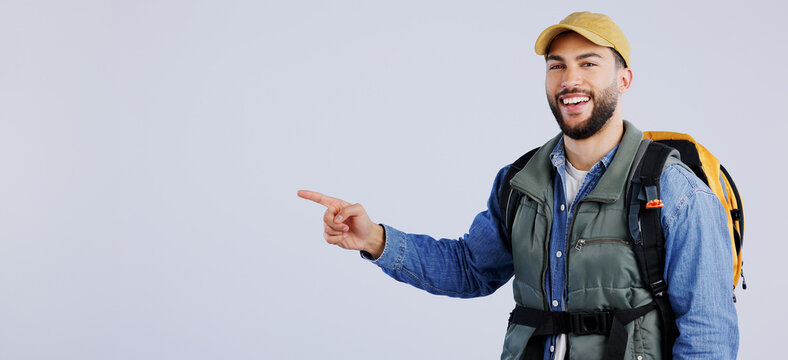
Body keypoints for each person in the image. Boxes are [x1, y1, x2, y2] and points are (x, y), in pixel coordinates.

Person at [298, 11, 738, 360]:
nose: (570, 80)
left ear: (623, 80)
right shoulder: (520, 182)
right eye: (557, 66)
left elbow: (709, 337)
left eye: (589, 63)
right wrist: (376, 239)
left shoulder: (676, 193)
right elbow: (471, 268)